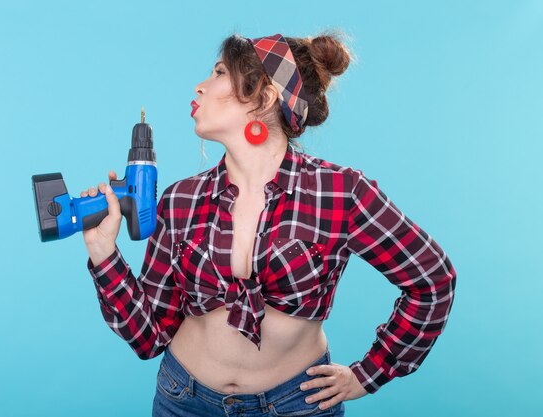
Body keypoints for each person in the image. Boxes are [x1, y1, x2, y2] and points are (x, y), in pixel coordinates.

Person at [80, 32, 457, 417]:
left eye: (219, 72)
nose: (200, 85)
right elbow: (148, 337)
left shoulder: (341, 192)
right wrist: (103, 251)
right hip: (183, 399)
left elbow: (433, 281)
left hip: (296, 405)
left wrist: (368, 374)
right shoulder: (181, 199)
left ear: (265, 96)